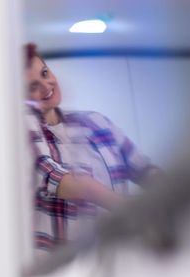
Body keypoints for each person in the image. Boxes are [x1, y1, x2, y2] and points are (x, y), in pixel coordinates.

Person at [24, 43, 160, 252]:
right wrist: (130, 209)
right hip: (65, 268)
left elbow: (142, 168)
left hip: (115, 253)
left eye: (45, 73)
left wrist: (175, 194)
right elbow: (63, 181)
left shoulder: (94, 121)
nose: (46, 85)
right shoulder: (24, 131)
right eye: (33, 86)